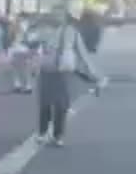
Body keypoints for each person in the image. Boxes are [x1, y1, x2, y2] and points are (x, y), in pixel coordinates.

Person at [28, 8, 101, 147]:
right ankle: (57, 135)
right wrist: (93, 72)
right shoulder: (71, 32)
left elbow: (33, 48)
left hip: (47, 70)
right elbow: (82, 54)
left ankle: (43, 133)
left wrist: (33, 66)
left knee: (45, 103)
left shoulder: (44, 31)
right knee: (61, 105)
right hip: (63, 72)